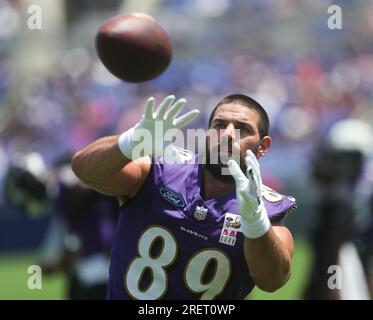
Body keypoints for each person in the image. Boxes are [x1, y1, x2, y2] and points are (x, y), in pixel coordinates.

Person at [72, 94, 297, 299]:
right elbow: (84, 170)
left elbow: (273, 280)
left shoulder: (264, 208)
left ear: (263, 146)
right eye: (219, 125)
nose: (228, 134)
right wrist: (131, 141)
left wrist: (256, 223)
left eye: (243, 129)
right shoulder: (161, 169)